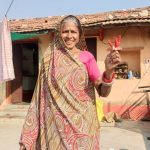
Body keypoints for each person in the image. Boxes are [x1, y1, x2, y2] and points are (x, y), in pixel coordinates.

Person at [19, 15, 121, 150]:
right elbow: (39, 99)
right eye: (65, 31)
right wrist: (29, 135)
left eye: (73, 32)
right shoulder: (49, 59)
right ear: (59, 34)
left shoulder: (87, 57)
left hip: (83, 125)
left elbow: (103, 91)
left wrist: (108, 72)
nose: (69, 36)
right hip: (54, 126)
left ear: (79, 35)